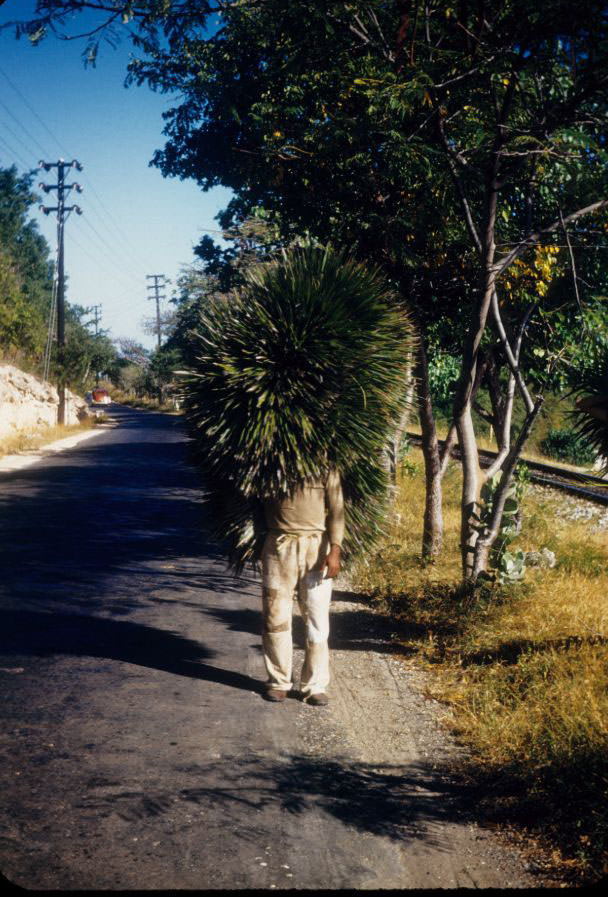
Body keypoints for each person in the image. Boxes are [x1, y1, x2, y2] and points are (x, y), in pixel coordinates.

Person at [260, 469, 344, 706]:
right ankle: (278, 682)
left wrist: (335, 550)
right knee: (274, 617)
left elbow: (337, 510)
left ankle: (315, 686)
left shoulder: (326, 463)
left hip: (316, 548)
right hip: (277, 545)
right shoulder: (270, 457)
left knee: (317, 620)